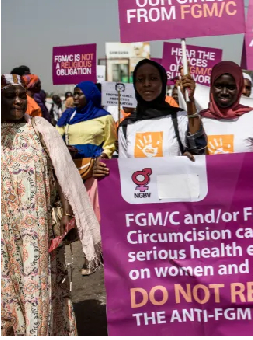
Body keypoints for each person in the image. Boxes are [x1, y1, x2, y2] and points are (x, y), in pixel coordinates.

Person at [1, 74, 102, 335]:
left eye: (21, 95)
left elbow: (65, 176)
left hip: (37, 234)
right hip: (4, 236)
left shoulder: (41, 129)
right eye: (9, 96)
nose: (17, 101)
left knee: (38, 293)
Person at [57, 81, 116, 275]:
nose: (75, 97)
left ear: (90, 96)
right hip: (72, 169)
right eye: (74, 94)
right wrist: (65, 148)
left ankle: (93, 257)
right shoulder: (69, 115)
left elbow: (110, 143)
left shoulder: (105, 118)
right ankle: (88, 251)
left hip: (94, 170)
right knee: (76, 213)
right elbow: (57, 137)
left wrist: (101, 157)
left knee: (92, 212)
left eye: (79, 94)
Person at [119, 60, 206, 158]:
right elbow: (123, 169)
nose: (146, 84)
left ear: (163, 82)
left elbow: (198, 149)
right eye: (140, 79)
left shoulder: (179, 118)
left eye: (153, 78)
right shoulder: (126, 127)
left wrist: (190, 101)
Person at [201, 62, 253, 154]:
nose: (224, 92)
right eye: (219, 86)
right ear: (211, 87)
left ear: (239, 88)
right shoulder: (199, 121)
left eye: (231, 87)